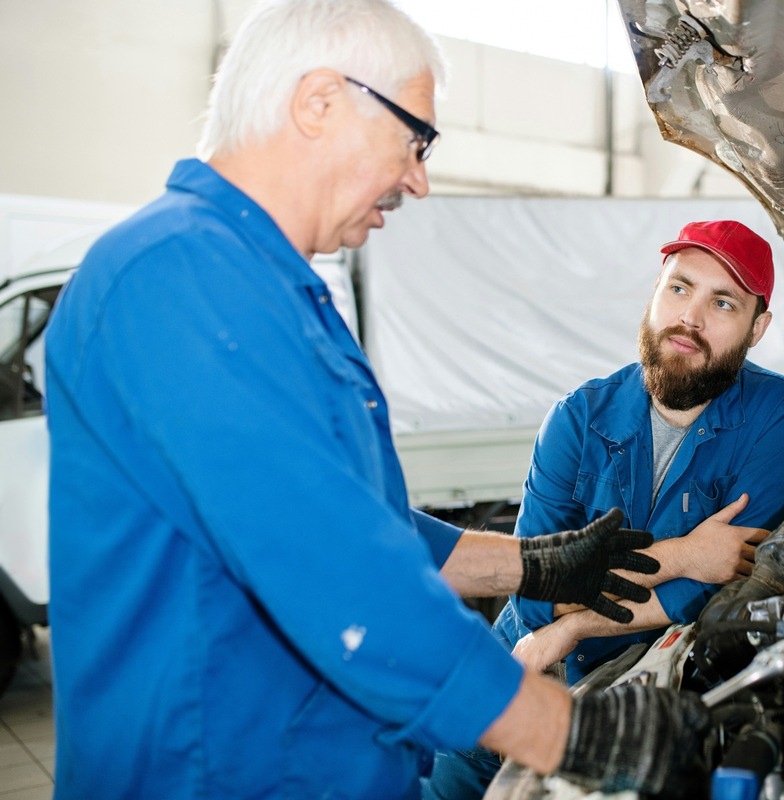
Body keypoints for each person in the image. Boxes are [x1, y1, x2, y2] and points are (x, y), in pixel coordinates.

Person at [43, 1, 709, 797]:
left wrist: (535, 565)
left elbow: (360, 521)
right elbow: (333, 564)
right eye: (415, 139)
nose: (418, 180)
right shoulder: (181, 276)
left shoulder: (266, 288)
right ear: (320, 101)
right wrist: (575, 731)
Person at [424, 219, 784, 800]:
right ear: (654, 293)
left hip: (649, 669)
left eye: (723, 301)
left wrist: (577, 622)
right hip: (524, 653)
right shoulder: (576, 417)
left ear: (759, 328)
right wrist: (686, 555)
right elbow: (534, 590)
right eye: (679, 287)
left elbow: (726, 585)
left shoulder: (776, 413)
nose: (690, 317)